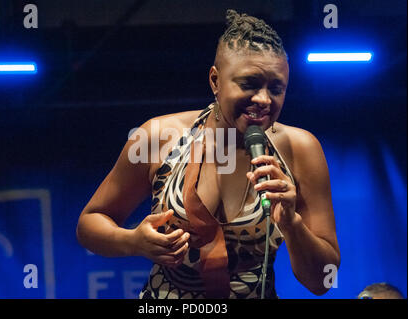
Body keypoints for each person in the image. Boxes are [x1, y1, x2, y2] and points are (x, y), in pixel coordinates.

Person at [76, 9, 340, 299]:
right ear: (215, 81)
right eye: (249, 84)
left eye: (276, 88)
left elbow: (322, 281)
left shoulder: (300, 149)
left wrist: (293, 225)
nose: (264, 100)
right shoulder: (158, 136)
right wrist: (132, 241)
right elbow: (90, 223)